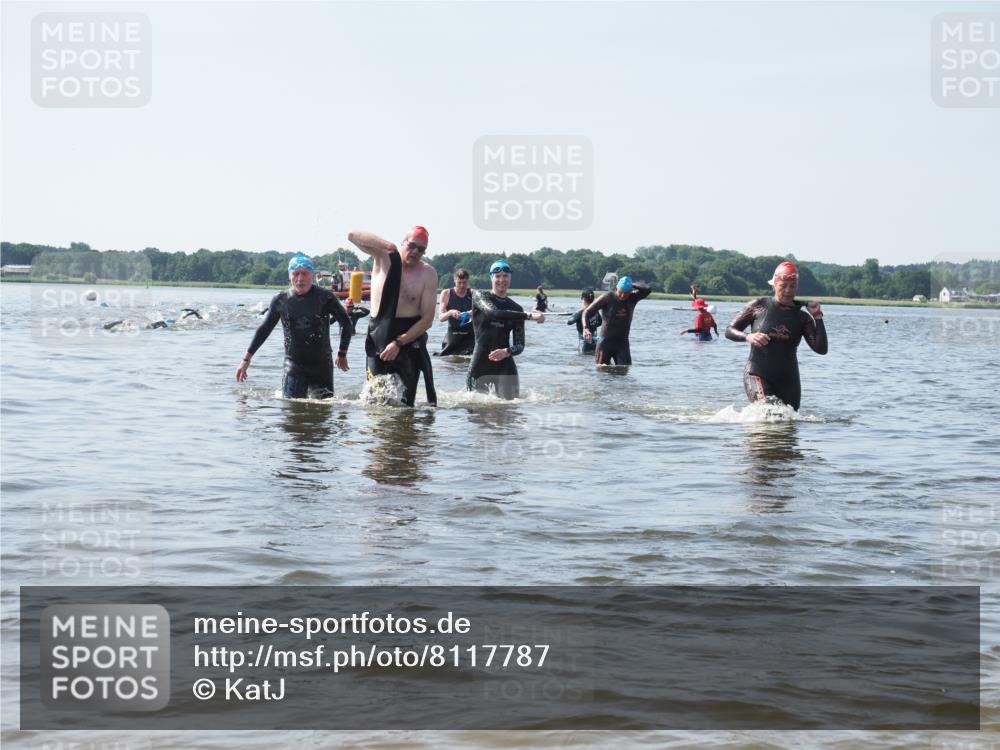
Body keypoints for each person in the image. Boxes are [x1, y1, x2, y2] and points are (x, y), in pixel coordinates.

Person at [236, 253, 352, 399]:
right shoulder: (281, 300)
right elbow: (265, 329)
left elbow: (346, 323)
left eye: (304, 273)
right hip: (294, 364)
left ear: (312, 275)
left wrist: (342, 353)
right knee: (291, 411)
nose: (300, 279)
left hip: (322, 364)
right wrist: (246, 359)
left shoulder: (325, 297)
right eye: (295, 274)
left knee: (324, 413)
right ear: (289, 276)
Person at [348, 226, 438, 406]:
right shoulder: (383, 258)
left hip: (408, 339)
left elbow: (427, 320)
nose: (415, 252)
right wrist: (387, 245)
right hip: (379, 334)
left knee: (404, 407)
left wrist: (399, 342)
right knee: (375, 402)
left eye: (421, 249)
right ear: (403, 242)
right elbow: (352, 236)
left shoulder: (428, 274)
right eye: (411, 246)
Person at [725, 261, 828, 411]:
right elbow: (729, 330)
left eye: (792, 287)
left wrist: (818, 317)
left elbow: (821, 349)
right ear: (774, 285)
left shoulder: (802, 318)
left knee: (788, 422)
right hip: (757, 374)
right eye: (783, 286)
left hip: (789, 380)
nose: (788, 291)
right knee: (768, 411)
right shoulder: (759, 306)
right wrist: (748, 337)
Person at [467, 259, 544, 399]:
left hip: (505, 365)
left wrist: (507, 352)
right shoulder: (480, 296)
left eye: (505, 276)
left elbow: (520, 345)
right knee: (475, 411)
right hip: (480, 363)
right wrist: (529, 315)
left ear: (510, 278)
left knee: (511, 408)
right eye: (497, 276)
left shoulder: (516, 308)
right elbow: (494, 313)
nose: (501, 280)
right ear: (491, 278)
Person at [583, 276, 652, 366]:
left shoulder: (633, 298)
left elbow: (648, 289)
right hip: (605, 343)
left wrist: (631, 284)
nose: (623, 296)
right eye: (620, 292)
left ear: (631, 291)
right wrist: (586, 328)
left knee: (624, 370)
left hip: (622, 344)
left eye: (626, 293)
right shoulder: (607, 297)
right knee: (602, 374)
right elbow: (587, 311)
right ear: (616, 288)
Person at [435, 268, 475, 356]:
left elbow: (482, 312)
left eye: (464, 282)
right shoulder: (446, 293)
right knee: (445, 359)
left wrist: (470, 313)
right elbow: (441, 317)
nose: (462, 285)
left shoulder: (473, 293)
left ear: (468, 281)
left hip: (469, 336)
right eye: (459, 282)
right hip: (453, 334)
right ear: (454, 280)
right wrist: (450, 312)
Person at [567, 288, 603, 354]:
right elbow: (600, 322)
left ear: (582, 298)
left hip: (584, 342)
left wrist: (576, 313)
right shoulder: (595, 311)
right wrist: (592, 324)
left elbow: (569, 322)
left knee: (582, 358)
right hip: (594, 341)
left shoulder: (581, 312)